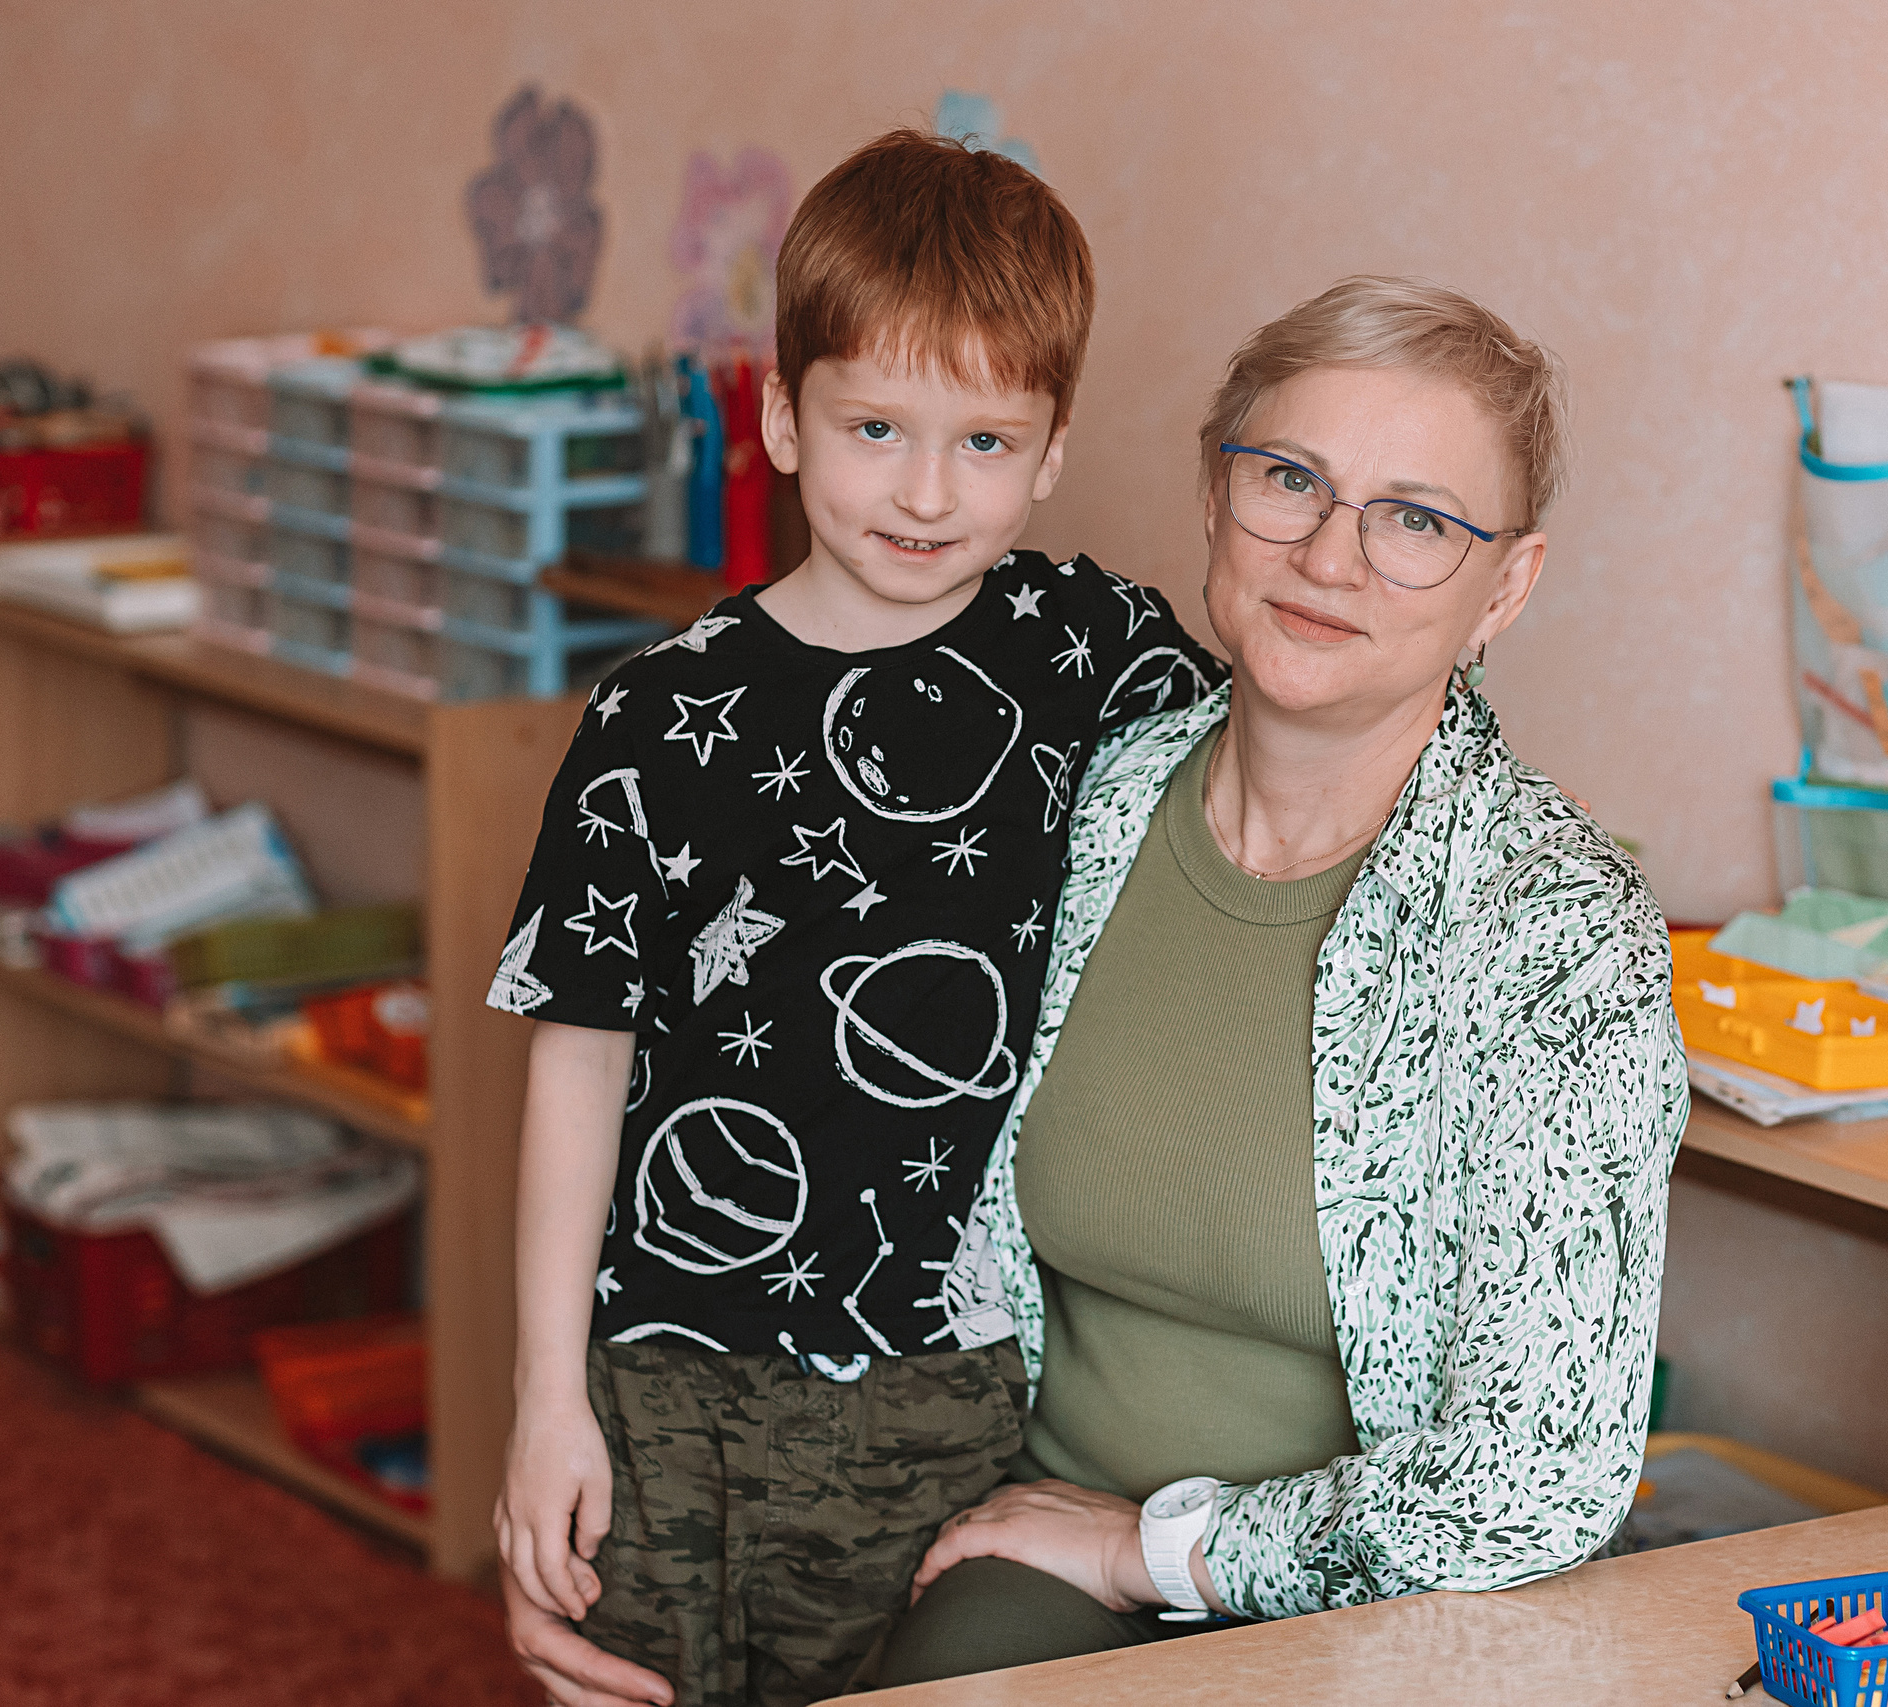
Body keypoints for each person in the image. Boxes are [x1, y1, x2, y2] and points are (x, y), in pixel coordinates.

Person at [486, 128, 1220, 1707]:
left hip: (936, 1379)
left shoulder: (1089, 650)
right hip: (658, 1368)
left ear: (1052, 452)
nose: (925, 491)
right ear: (780, 421)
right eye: (877, 425)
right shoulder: (657, 718)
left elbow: (1309, 737)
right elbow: (574, 1069)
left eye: (983, 441)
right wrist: (547, 1397)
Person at [873, 275, 1689, 1682]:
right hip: (1023, 1538)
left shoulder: (1560, 935)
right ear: (1214, 493)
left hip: (1383, 1615)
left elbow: (1537, 1479)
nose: (1331, 554)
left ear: (1510, 583)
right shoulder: (1085, 802)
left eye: (1418, 520)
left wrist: (1153, 1547)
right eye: (1290, 480)